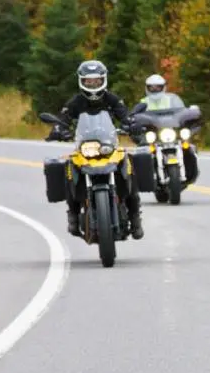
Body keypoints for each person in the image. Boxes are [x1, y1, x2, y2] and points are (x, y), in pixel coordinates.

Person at [46, 60, 144, 240]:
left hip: (108, 145)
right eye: (89, 81)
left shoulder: (111, 98)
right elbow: (64, 118)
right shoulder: (76, 101)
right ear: (82, 81)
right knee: (69, 167)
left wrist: (132, 124)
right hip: (84, 147)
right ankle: (73, 214)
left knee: (128, 163)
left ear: (103, 80)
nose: (93, 85)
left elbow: (124, 115)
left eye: (96, 81)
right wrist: (59, 129)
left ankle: (135, 216)